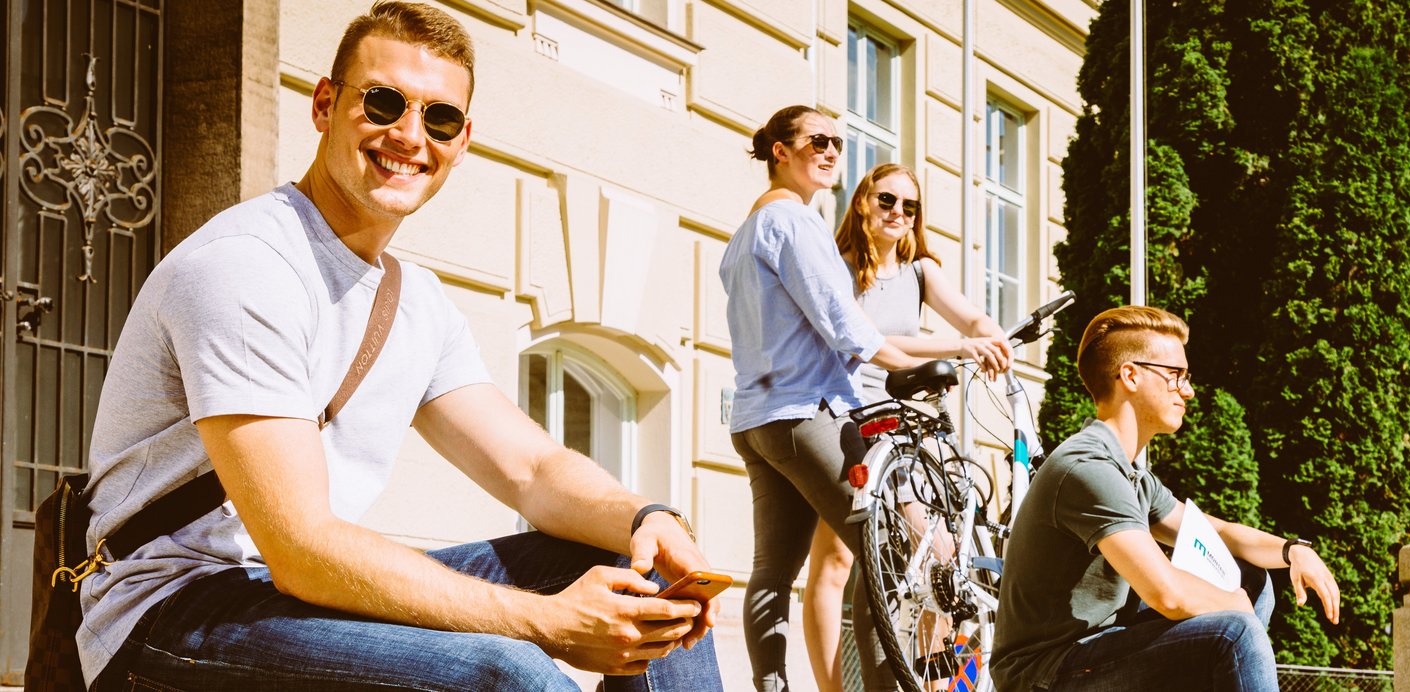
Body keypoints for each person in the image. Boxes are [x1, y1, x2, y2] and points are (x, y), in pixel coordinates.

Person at [76, 3, 721, 689]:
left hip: (290, 598)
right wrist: (548, 622)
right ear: (325, 105)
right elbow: (302, 549)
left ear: (463, 139)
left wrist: (647, 518)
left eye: (439, 117)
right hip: (170, 616)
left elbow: (530, 468)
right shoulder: (248, 264)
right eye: (383, 103)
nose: (410, 135)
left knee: (654, 578)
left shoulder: (416, 301)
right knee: (506, 670)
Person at [992, 305, 1342, 692]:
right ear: (1131, 375)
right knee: (1234, 632)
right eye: (1176, 376)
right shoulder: (1088, 468)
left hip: (1092, 652)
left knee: (1251, 578)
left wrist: (1294, 551)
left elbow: (1220, 532)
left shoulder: (1132, 477)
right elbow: (1166, 594)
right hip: (1042, 674)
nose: (1187, 390)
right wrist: (1239, 610)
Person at [720, 106, 927, 692]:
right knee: (884, 554)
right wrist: (912, 365)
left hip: (757, 419)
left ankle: (773, 687)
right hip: (807, 411)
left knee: (773, 571)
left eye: (838, 141)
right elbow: (844, 324)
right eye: (818, 140)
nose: (832, 150)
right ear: (781, 151)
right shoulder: (793, 221)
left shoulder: (745, 233)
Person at [798, 163, 1015, 692]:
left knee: (936, 555)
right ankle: (833, 689)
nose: (898, 212)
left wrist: (990, 336)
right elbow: (866, 338)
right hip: (849, 415)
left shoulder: (920, 271)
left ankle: (929, 680)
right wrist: (958, 345)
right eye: (887, 200)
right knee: (834, 562)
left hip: (906, 422)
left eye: (909, 206)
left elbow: (971, 318)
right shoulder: (841, 267)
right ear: (863, 203)